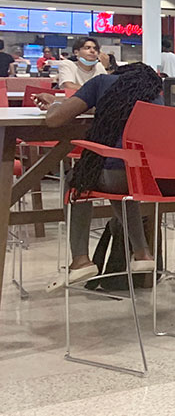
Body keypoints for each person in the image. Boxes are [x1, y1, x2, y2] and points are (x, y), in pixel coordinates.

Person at [38, 64, 165, 290]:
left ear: (117, 76)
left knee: (78, 180)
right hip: (147, 179)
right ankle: (142, 252)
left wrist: (55, 104)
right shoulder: (155, 96)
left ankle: (80, 260)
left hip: (113, 173)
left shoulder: (102, 83)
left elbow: (54, 120)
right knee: (122, 186)